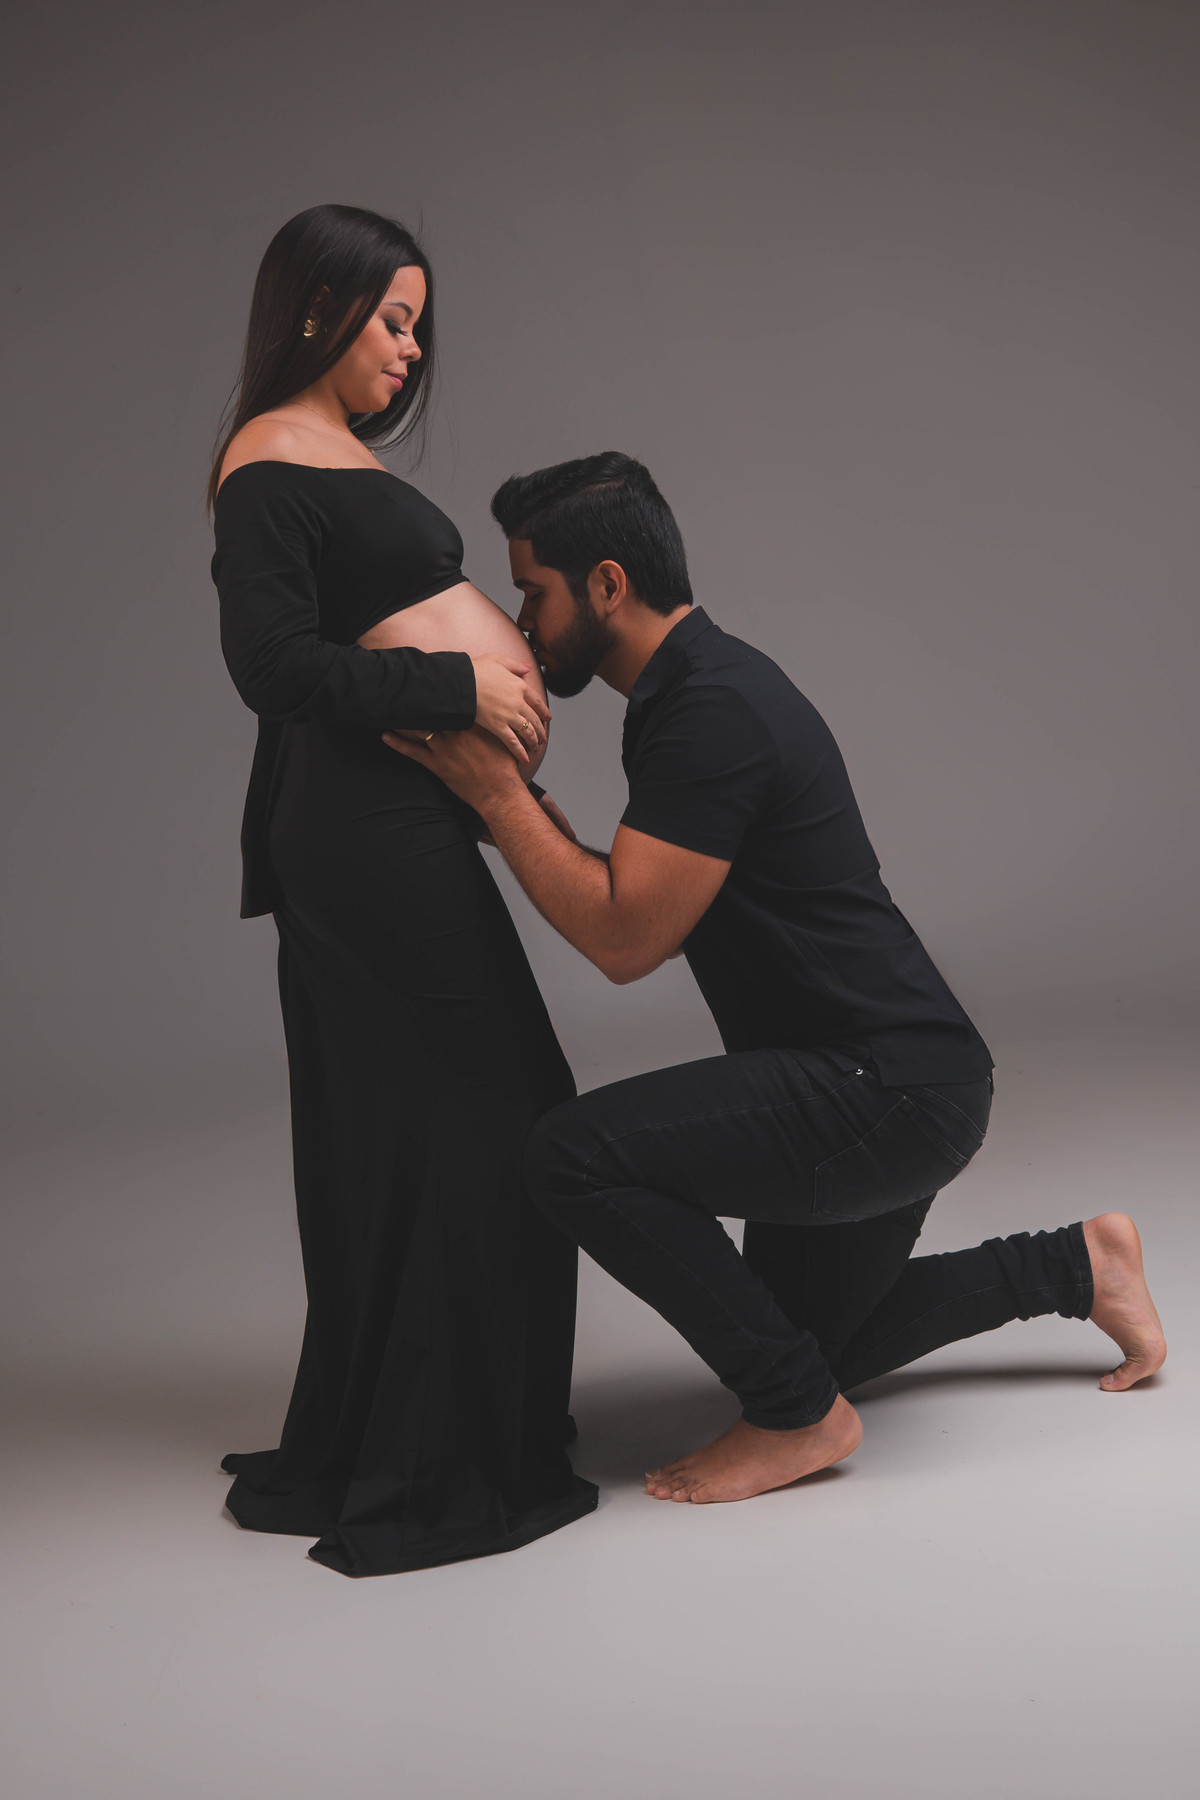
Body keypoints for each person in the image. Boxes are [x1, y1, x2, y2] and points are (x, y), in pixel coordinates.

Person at [383, 451, 1167, 1506]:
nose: (523, 622)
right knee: (812, 1341)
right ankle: (1075, 1265)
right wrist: (522, 813)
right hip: (905, 1079)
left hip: (881, 1088)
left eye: (534, 592)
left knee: (571, 1157)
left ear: (607, 584)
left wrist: (497, 799)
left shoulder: (710, 710)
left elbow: (625, 943)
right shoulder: (694, 690)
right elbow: (646, 898)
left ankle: (797, 1418)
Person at [206, 205, 597, 1575]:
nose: (412, 348)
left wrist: (491, 769)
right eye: (392, 318)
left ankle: (420, 1422)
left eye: (418, 325)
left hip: (395, 821)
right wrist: (459, 686)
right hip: (357, 835)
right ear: (318, 307)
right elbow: (271, 667)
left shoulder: (329, 452)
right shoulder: (267, 463)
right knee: (496, 1105)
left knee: (422, 1120)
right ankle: (442, 1454)